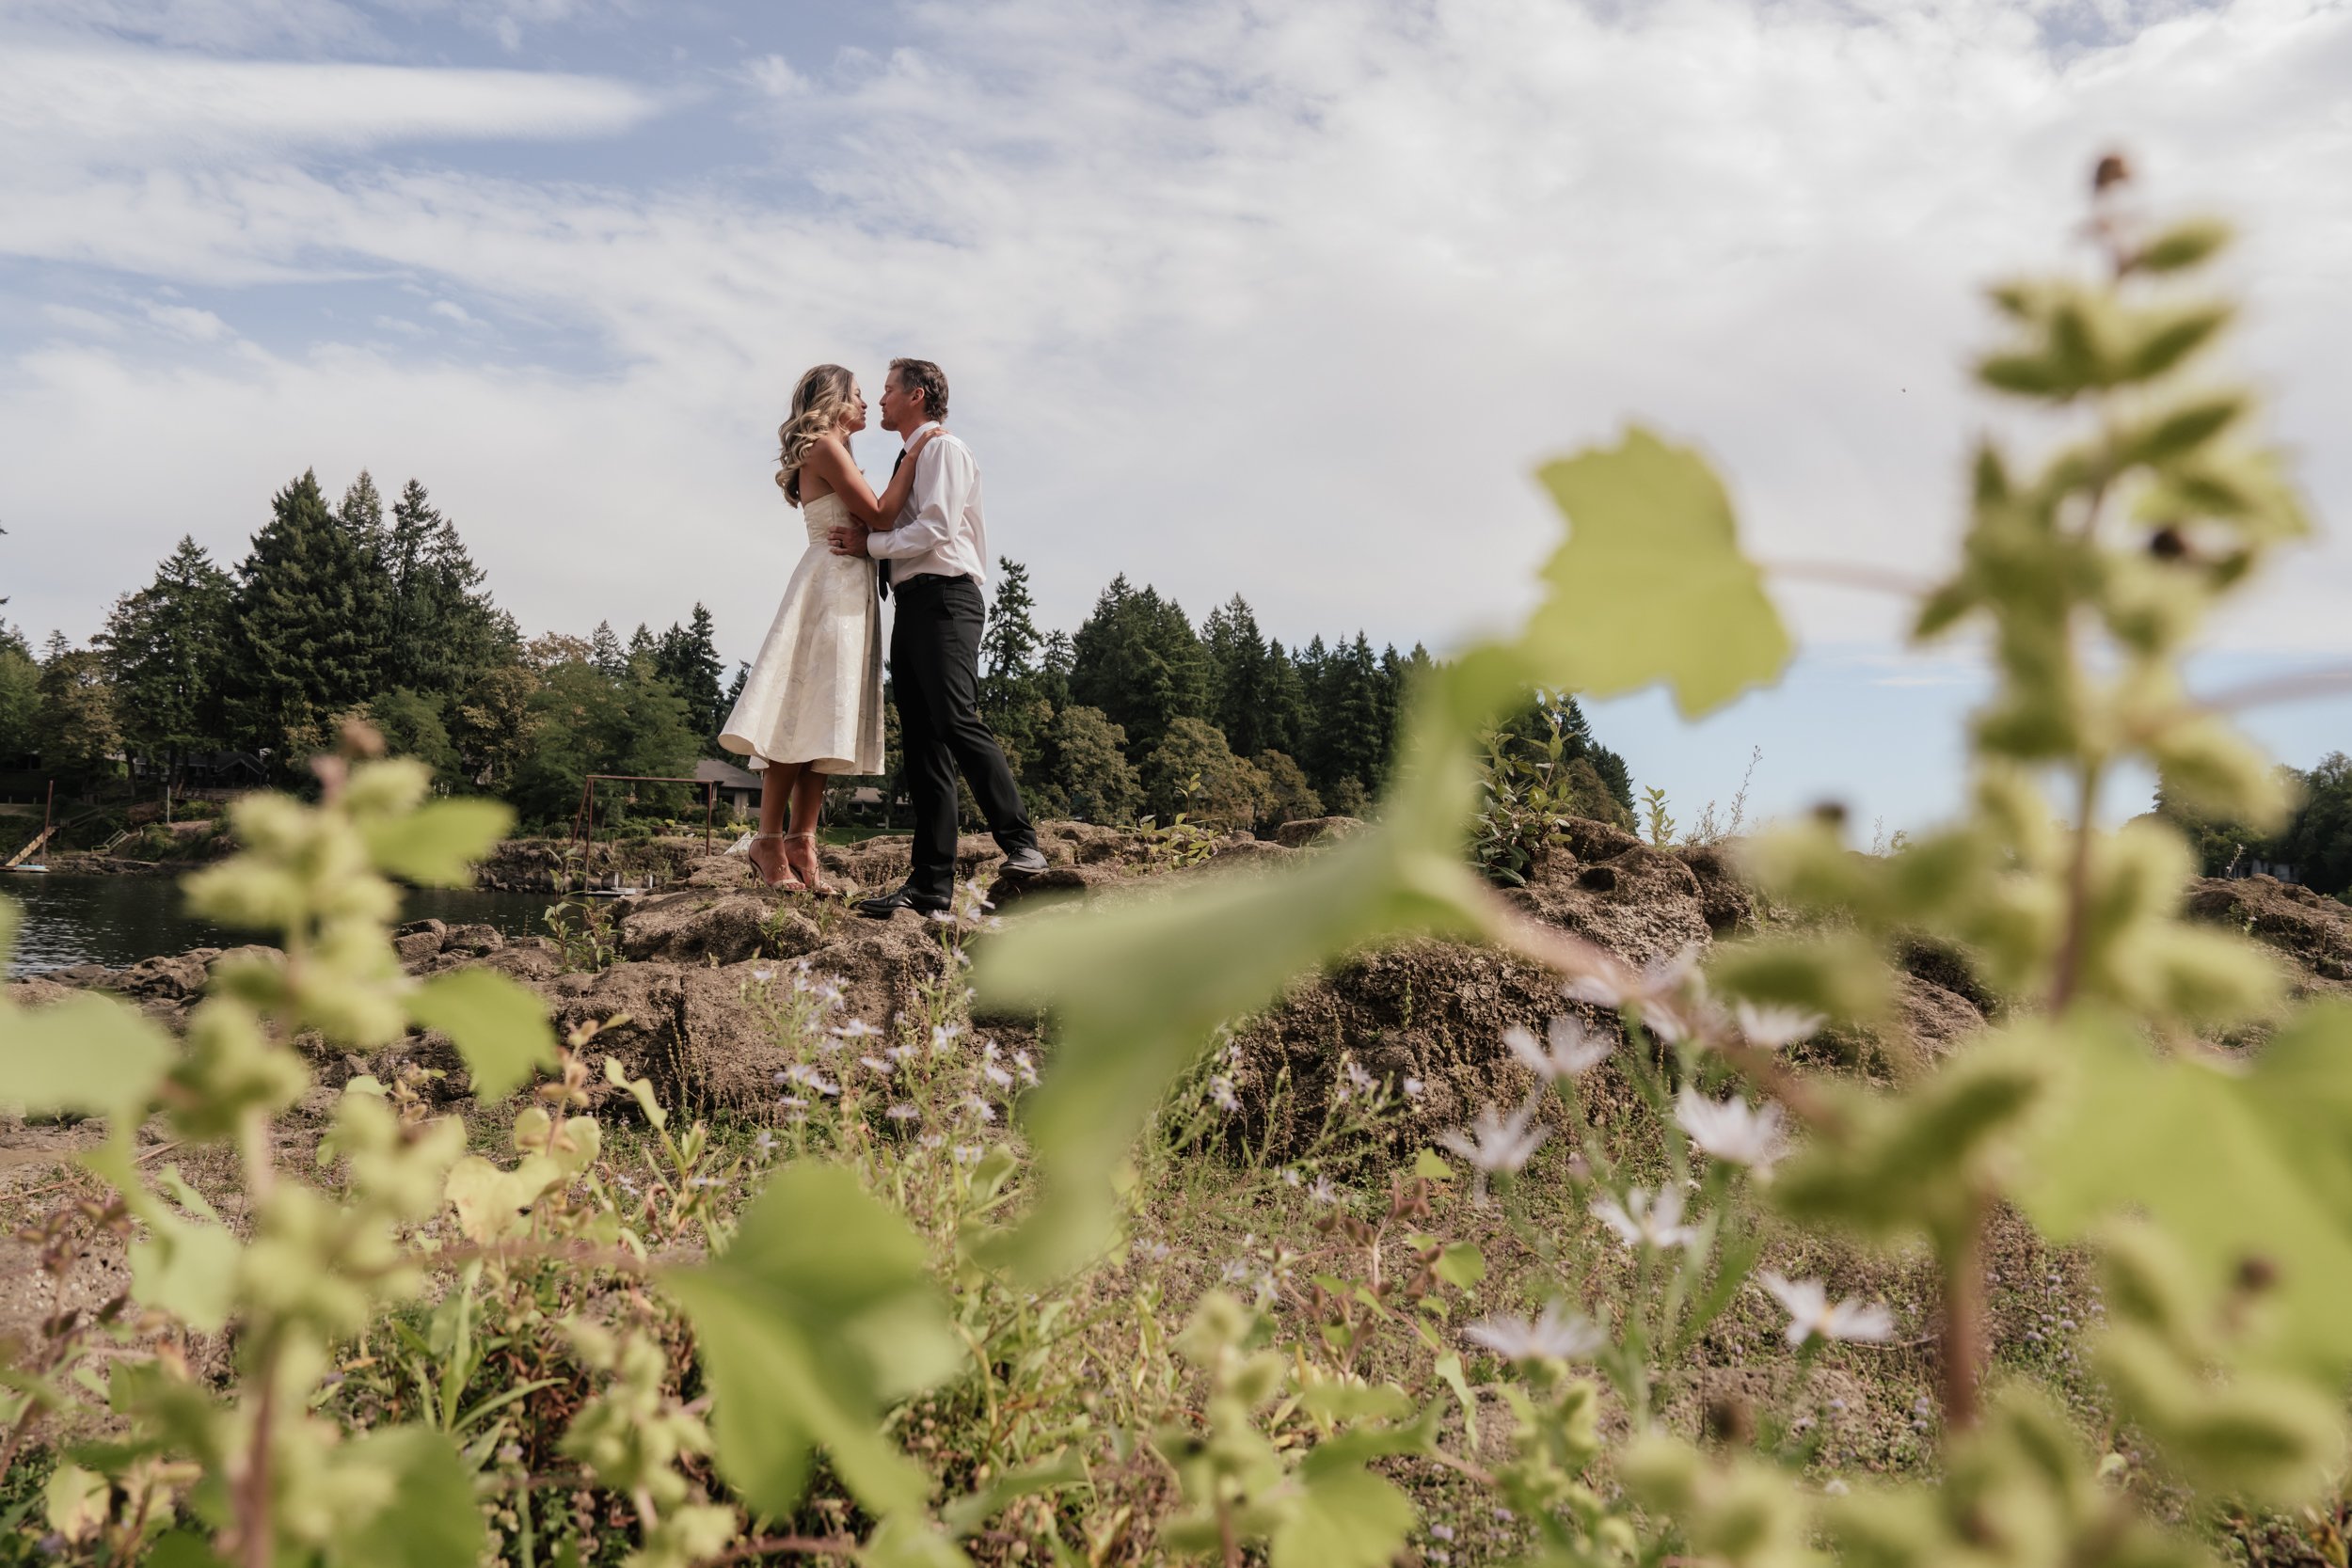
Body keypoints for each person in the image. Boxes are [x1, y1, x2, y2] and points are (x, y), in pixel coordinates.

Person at [828, 356, 1046, 915]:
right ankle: (929, 887)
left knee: (955, 719)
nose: (879, 400)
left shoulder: (945, 449)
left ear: (917, 395)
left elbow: (937, 529)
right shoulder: (913, 455)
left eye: (887, 390)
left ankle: (1022, 845)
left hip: (948, 597)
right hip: (914, 601)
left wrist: (868, 547)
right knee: (923, 742)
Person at [719, 363, 940, 891]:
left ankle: (803, 839)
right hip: (826, 588)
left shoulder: (839, 451)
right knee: (797, 714)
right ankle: (767, 839)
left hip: (850, 587)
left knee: (825, 716)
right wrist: (915, 453)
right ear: (835, 401)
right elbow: (882, 517)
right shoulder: (823, 445)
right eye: (860, 395)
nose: (868, 404)